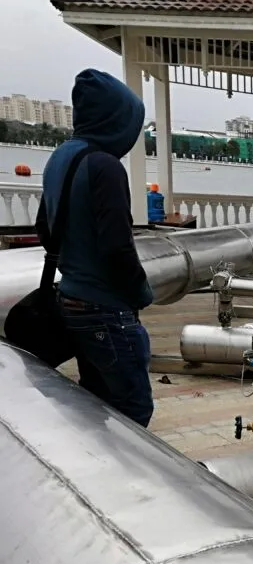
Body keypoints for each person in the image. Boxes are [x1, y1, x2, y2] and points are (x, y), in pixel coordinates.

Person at [41, 68, 155, 427]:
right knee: (133, 412)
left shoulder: (61, 157)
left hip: (70, 302)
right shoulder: (105, 166)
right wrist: (140, 294)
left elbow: (44, 229)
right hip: (106, 309)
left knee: (96, 405)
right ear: (118, 120)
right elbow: (117, 248)